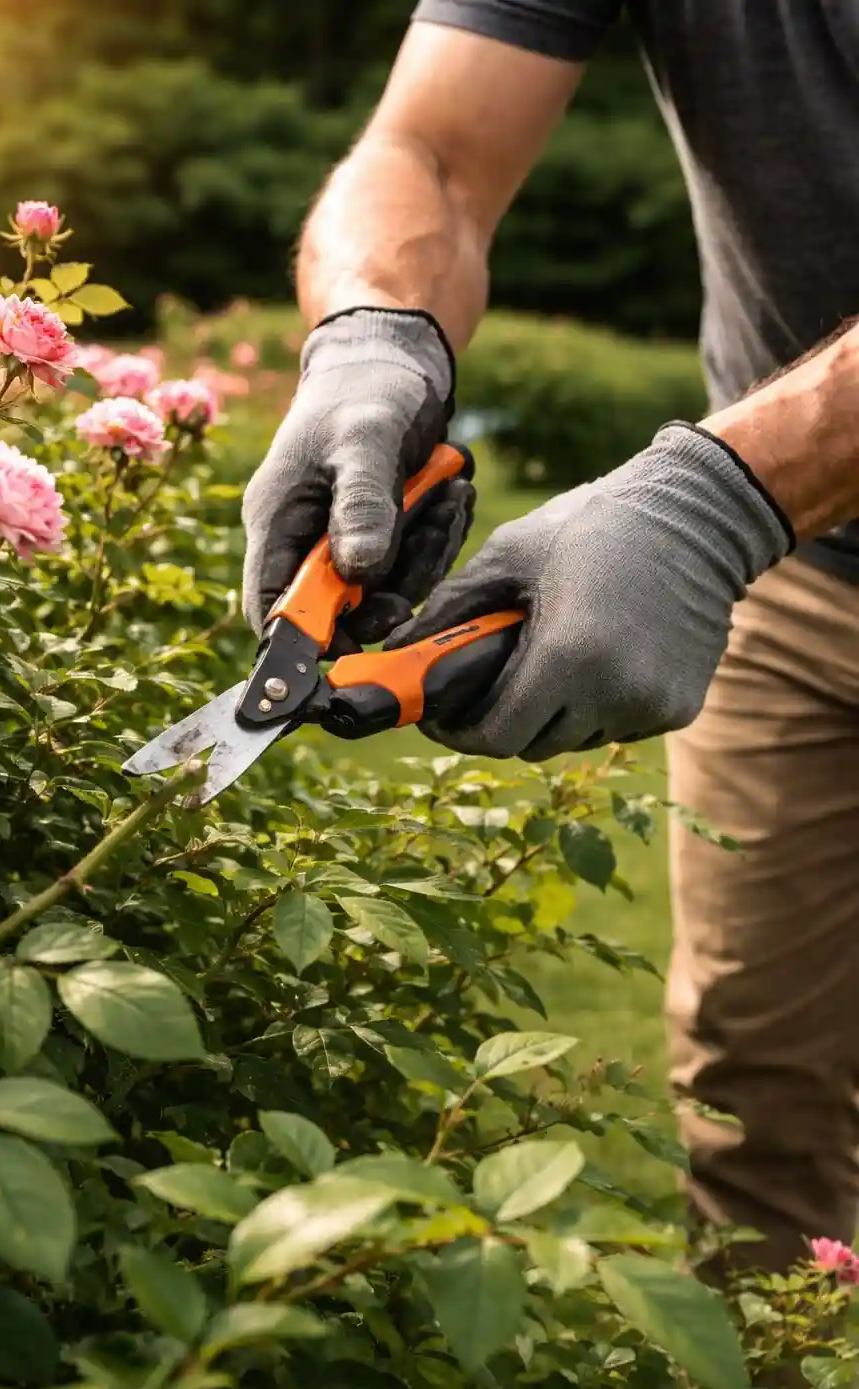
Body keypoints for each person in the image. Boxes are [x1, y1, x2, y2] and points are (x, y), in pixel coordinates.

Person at [239, 2, 859, 1278]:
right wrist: (372, 332)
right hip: (798, 580)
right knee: (757, 1094)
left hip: (757, 516)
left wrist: (723, 496)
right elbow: (434, 155)